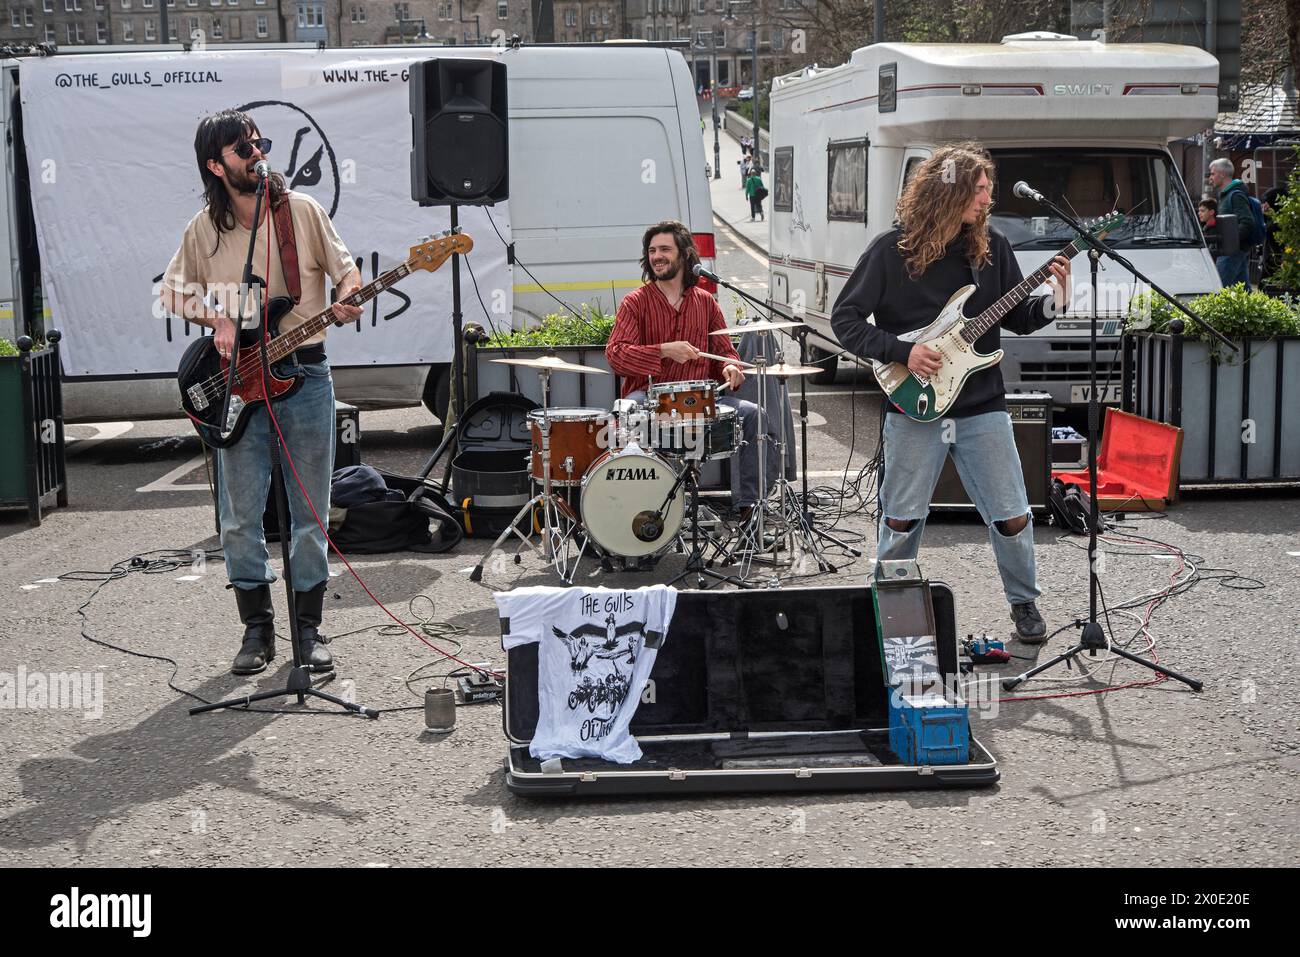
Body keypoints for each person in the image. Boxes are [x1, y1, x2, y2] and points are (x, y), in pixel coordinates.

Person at [830, 142, 1072, 643]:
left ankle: (1024, 603)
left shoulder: (993, 250)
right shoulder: (890, 252)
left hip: (982, 403)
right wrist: (902, 351)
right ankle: (890, 604)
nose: (988, 199)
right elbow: (845, 320)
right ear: (951, 193)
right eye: (979, 190)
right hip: (913, 405)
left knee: (1012, 514)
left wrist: (1054, 302)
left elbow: (1020, 318)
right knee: (901, 517)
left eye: (988, 189)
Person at [160, 110, 363, 676]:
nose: (255, 153)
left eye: (258, 143)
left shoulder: (301, 212)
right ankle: (257, 631)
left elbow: (346, 273)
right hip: (236, 386)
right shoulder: (206, 227)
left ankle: (309, 630)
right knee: (239, 516)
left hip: (308, 376)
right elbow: (172, 292)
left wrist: (348, 297)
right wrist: (217, 318)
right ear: (215, 165)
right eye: (241, 148)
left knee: (310, 513)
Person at [606, 220, 767, 519]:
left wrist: (730, 366)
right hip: (652, 401)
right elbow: (616, 354)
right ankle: (636, 511)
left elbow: (723, 352)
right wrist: (664, 350)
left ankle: (750, 512)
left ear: (684, 255)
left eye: (665, 249)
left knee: (753, 414)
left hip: (702, 401)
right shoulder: (635, 303)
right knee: (628, 411)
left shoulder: (706, 303)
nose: (657, 256)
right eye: (652, 250)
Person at [1209, 157, 1254, 290]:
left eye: (1213, 173)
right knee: (1244, 293)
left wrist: (1230, 241)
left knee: (1217, 289)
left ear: (1222, 174)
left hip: (1231, 251)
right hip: (1236, 250)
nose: (1210, 178)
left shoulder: (1235, 195)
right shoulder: (1227, 195)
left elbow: (1247, 222)